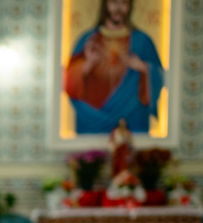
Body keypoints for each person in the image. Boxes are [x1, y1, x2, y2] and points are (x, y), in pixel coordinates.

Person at [64, 0, 164, 135]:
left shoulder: (142, 41)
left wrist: (141, 66)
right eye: (113, 2)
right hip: (93, 120)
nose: (118, 8)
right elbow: (68, 79)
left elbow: (159, 75)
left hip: (131, 117)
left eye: (124, 3)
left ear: (130, 7)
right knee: (92, 154)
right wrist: (88, 63)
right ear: (105, 5)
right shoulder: (88, 39)